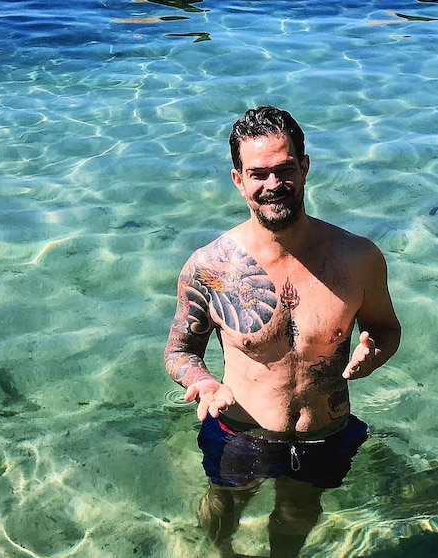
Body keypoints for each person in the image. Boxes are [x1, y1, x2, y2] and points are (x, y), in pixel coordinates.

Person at [164, 106, 401, 558]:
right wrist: (203, 382)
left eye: (284, 169)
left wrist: (376, 351)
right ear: (238, 179)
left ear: (305, 166)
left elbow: (386, 328)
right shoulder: (210, 267)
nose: (273, 185)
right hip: (240, 432)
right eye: (258, 174)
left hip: (323, 433)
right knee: (224, 507)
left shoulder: (357, 258)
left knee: (298, 511)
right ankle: (221, 553)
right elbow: (179, 350)